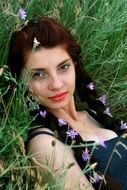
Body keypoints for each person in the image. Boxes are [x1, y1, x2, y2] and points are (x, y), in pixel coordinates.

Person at [7, 16, 127, 190]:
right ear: (22, 82)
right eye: (38, 74)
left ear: (75, 65)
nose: (56, 84)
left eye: (63, 67)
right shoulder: (46, 144)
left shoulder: (93, 115)